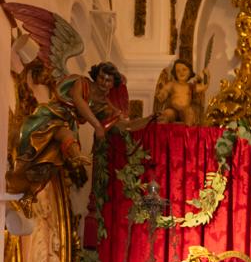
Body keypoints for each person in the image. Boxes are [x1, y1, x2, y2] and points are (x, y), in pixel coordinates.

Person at [9, 61, 129, 195]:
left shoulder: (105, 104)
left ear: (113, 84)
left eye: (108, 80)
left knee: (55, 159)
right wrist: (96, 125)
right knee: (60, 132)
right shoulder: (81, 82)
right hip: (55, 114)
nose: (103, 82)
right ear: (96, 75)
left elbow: (125, 125)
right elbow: (78, 100)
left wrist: (149, 120)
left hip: (70, 124)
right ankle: (73, 155)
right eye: (101, 77)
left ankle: (37, 179)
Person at [154, 58, 208, 126]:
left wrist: (207, 75)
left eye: (184, 70)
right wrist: (162, 94)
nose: (181, 72)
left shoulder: (191, 86)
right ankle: (162, 132)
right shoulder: (172, 84)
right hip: (173, 108)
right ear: (175, 73)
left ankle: (188, 132)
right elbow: (165, 90)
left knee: (190, 114)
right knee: (166, 114)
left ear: (190, 72)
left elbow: (204, 86)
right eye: (178, 71)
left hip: (185, 109)